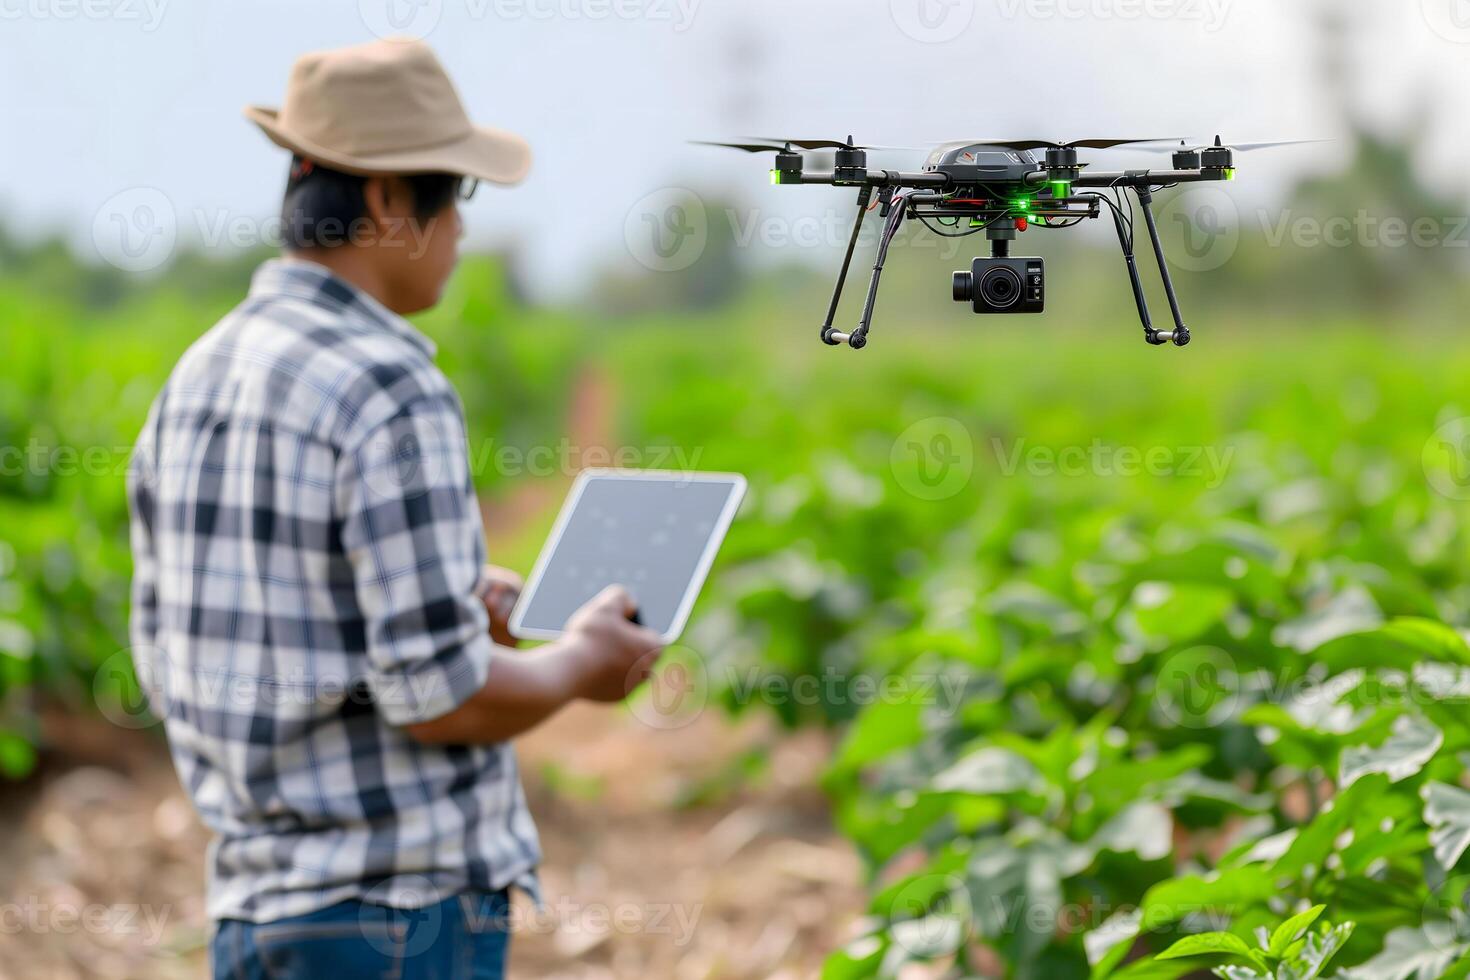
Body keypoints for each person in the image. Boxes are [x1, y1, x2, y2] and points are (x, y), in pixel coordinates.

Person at [125, 37, 664, 979]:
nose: (458, 228)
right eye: (454, 194)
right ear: (383, 199)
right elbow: (437, 696)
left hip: (255, 918)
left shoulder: (201, 372)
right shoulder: (387, 383)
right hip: (396, 920)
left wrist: (449, 602)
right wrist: (581, 664)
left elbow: (196, 643)